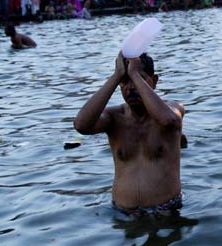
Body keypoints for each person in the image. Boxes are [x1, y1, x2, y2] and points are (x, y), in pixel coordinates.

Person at [74, 53, 185, 213]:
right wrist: (116, 76)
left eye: (139, 79)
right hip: (123, 213)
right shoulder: (114, 117)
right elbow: (81, 125)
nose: (131, 87)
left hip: (167, 211)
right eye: (124, 82)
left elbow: (169, 120)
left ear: (153, 81)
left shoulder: (172, 108)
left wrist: (133, 74)